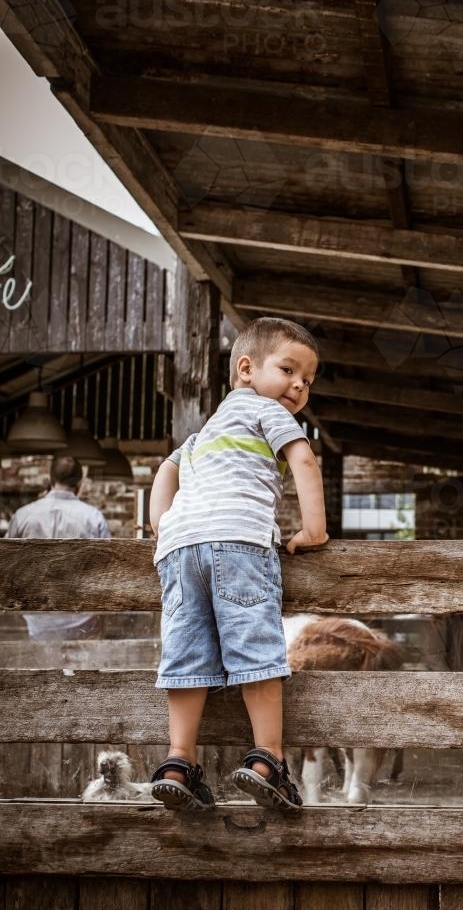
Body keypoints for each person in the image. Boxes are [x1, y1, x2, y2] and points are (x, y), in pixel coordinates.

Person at [149, 317, 328, 813]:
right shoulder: (266, 411)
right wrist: (314, 529)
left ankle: (177, 761)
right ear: (246, 369)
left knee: (185, 658)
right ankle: (268, 757)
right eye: (289, 370)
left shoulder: (205, 432)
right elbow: (303, 460)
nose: (299, 385)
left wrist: (161, 524)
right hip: (238, 544)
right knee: (256, 652)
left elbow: (167, 469)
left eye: (308, 380)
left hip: (181, 551)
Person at [6, 454, 111, 639]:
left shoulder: (23, 515)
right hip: (82, 621)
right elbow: (109, 568)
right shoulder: (93, 517)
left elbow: (5, 564)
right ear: (79, 482)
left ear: (51, 479)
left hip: (34, 620)